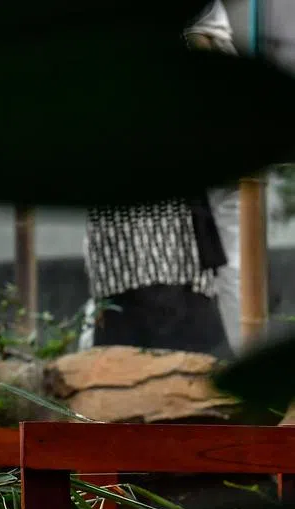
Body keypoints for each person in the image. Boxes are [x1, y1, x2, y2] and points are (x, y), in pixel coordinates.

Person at [77, 1, 240, 358]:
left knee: (181, 301)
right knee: (121, 305)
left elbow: (211, 56)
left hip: (172, 179)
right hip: (116, 176)